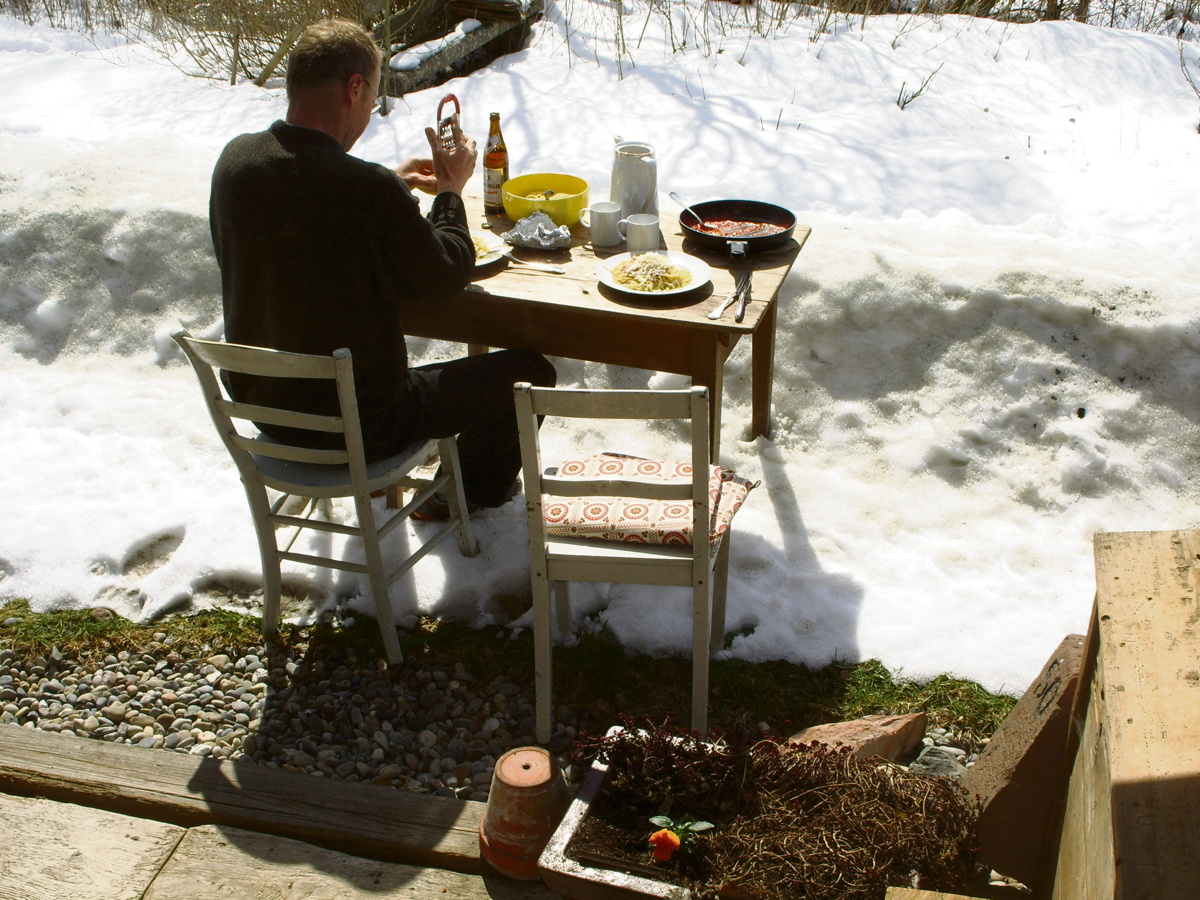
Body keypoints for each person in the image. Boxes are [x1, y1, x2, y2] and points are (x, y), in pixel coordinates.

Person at [209, 18, 556, 516]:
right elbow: (444, 275)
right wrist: (451, 190)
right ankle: (463, 499)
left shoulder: (236, 163)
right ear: (355, 87)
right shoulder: (367, 191)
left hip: (268, 412)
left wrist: (389, 185)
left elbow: (301, 216)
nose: (370, 112)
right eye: (371, 99)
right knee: (529, 372)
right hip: (363, 422)